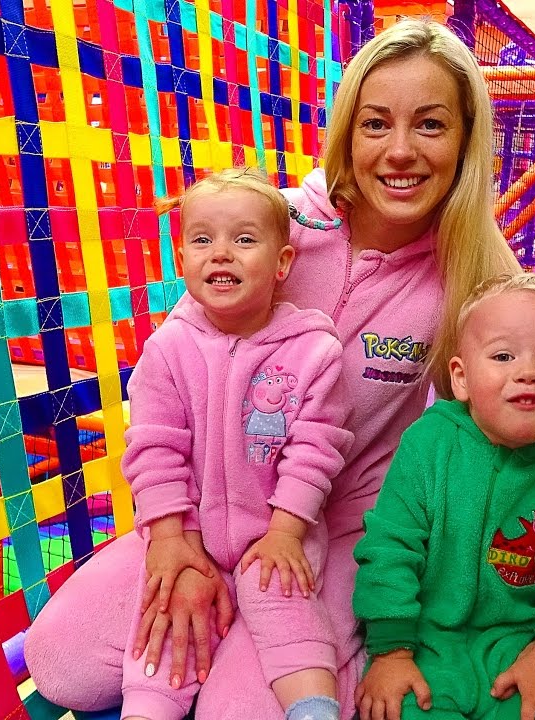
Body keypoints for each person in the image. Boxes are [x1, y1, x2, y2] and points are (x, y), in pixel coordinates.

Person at [24, 19, 535, 718]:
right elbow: (172, 392)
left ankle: (333, 636)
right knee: (61, 664)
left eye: (430, 125)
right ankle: (246, 623)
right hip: (218, 514)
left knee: (235, 712)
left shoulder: (474, 274)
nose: (400, 151)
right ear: (348, 132)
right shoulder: (275, 230)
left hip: (338, 538)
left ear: (464, 140)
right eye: (375, 124)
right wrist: (174, 543)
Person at [353, 273, 535, 720]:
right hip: (425, 641)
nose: (527, 372)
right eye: (503, 356)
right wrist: (391, 650)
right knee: (399, 707)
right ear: (462, 378)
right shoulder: (428, 444)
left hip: (525, 640)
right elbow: (391, 547)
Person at [118, 167, 352, 720]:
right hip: (191, 530)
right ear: (180, 261)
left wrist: (285, 531)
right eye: (202, 240)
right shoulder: (169, 347)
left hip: (270, 534)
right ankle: (148, 707)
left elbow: (315, 451)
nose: (220, 254)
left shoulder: (314, 350)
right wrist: (170, 536)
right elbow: (153, 447)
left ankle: (313, 708)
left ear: (283, 264)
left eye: (244, 239)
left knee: (287, 603)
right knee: (161, 611)